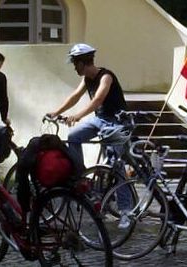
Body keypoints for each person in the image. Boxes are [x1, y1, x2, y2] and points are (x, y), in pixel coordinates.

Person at [47, 43, 132, 229]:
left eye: (75, 64)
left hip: (117, 122)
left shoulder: (106, 76)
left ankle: (126, 211)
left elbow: (98, 99)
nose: (74, 68)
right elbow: (75, 97)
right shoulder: (86, 79)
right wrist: (56, 112)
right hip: (100, 120)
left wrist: (77, 116)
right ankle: (83, 177)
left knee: (115, 165)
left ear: (83, 62)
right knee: (74, 136)